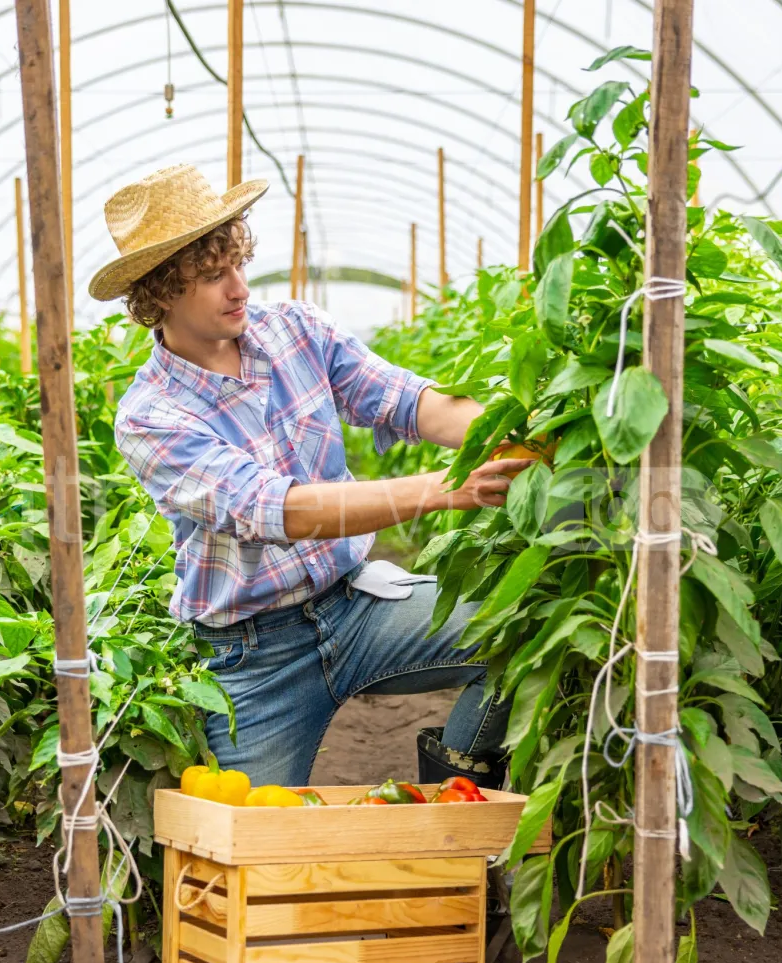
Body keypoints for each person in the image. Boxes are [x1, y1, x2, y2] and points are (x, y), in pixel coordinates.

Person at [91, 164, 531, 788]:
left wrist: (525, 435)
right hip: (253, 657)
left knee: (526, 628)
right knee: (254, 846)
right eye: (214, 277)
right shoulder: (151, 415)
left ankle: (460, 824)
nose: (239, 287)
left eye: (238, 264)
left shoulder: (296, 331)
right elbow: (278, 510)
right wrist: (445, 489)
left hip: (357, 606)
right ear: (160, 293)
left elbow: (410, 402)